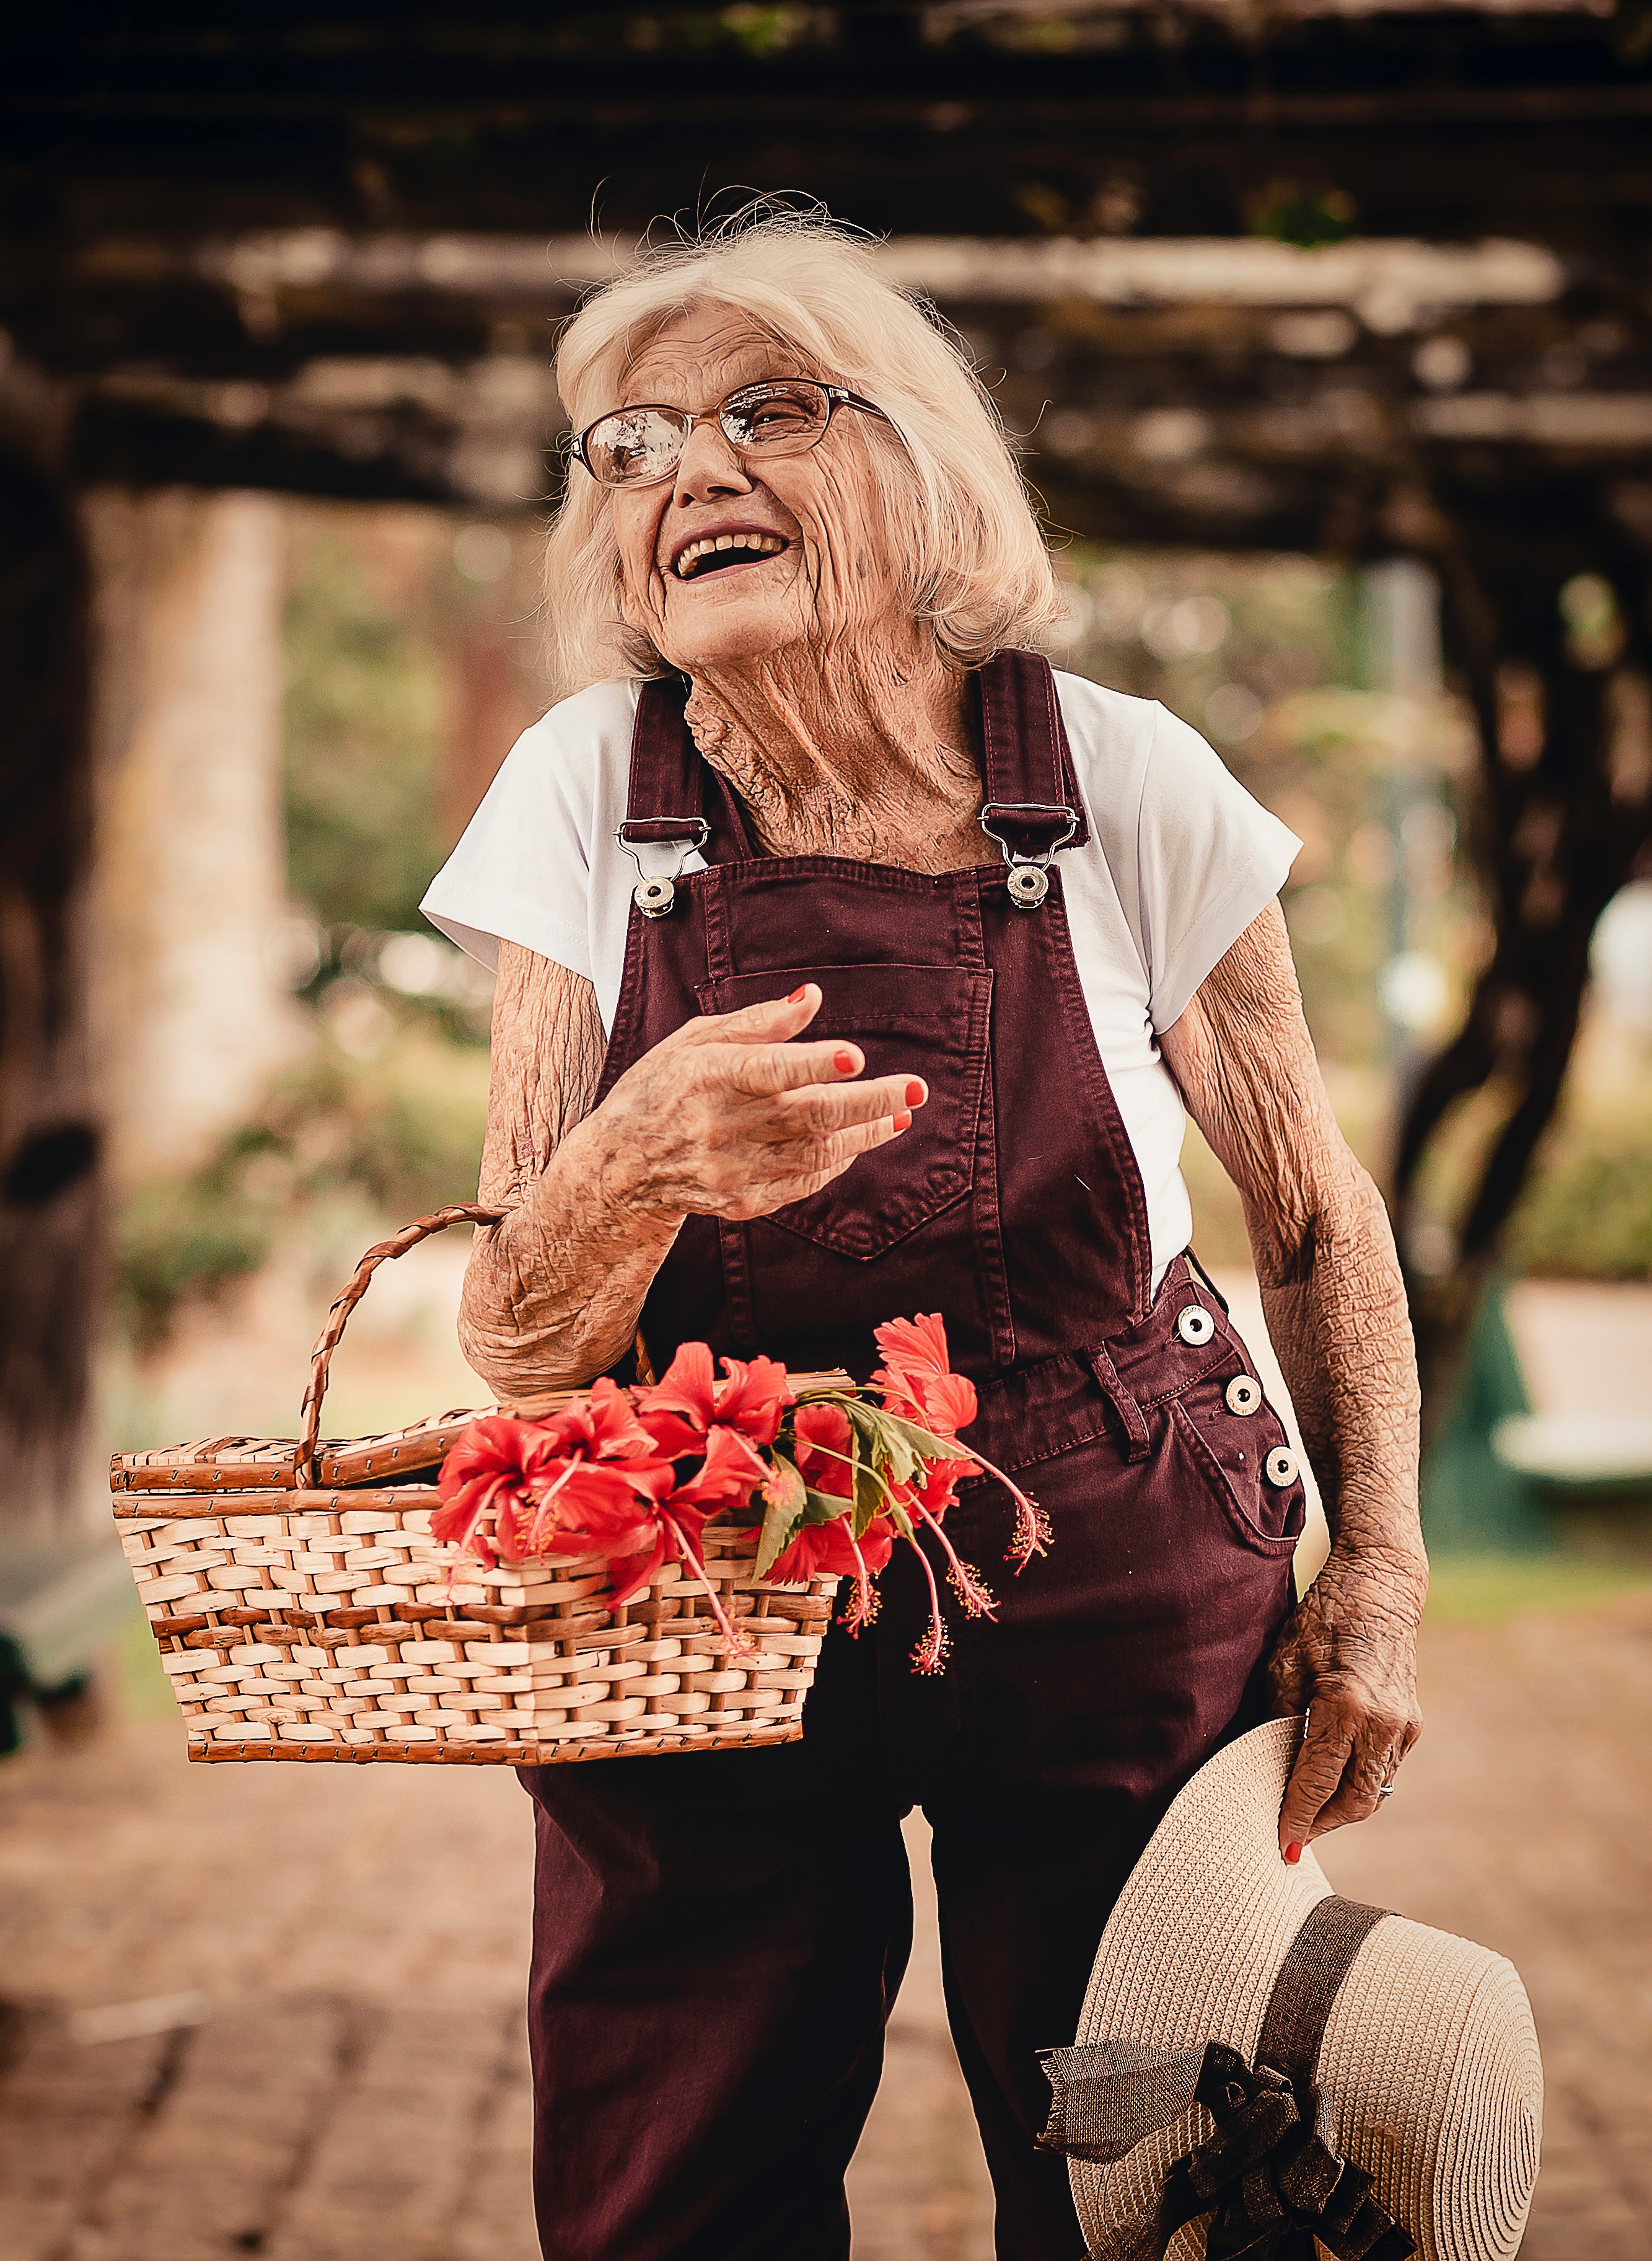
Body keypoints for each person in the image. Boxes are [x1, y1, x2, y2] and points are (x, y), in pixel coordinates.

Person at [420, 209, 1427, 2261]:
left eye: (762, 412)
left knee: (1146, 2169)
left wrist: (1384, 1565)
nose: (686, 471)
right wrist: (628, 1165)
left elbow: (1314, 1211)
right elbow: (517, 1346)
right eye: (628, 446)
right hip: (697, 1557)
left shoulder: (1122, 776)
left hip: (1109, 1544)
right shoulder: (579, 798)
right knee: (666, 2180)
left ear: (923, 467)